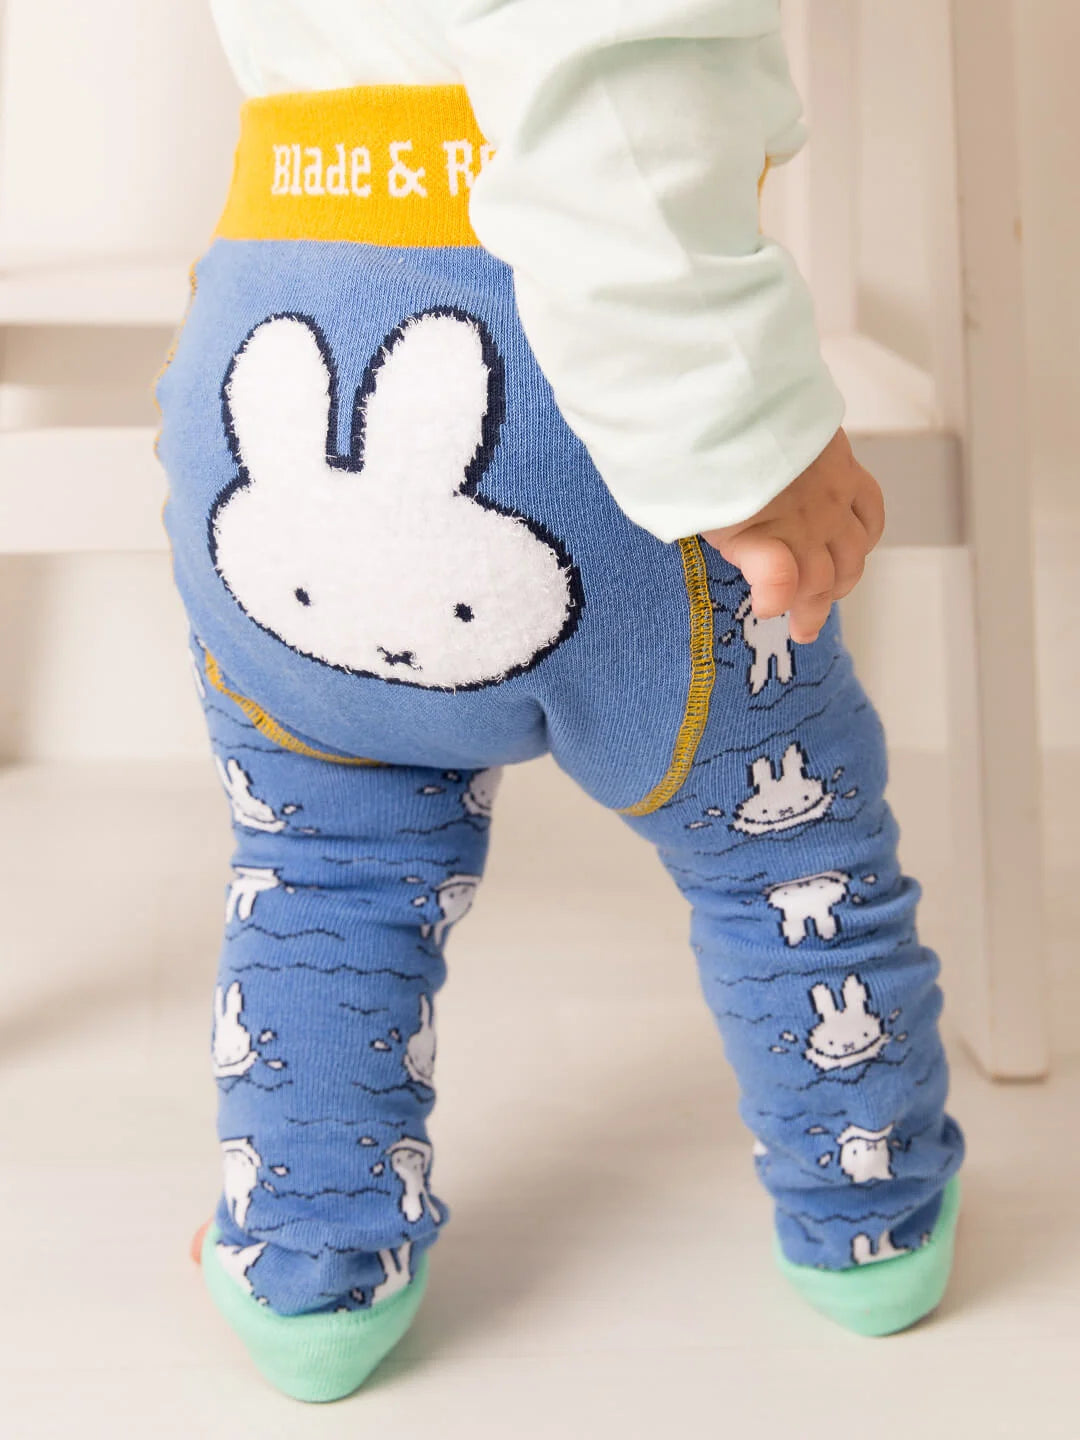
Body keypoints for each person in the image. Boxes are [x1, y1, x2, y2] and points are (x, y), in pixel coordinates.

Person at [156, 0, 964, 1402]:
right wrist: (744, 445)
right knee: (787, 860)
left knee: (322, 868)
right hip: (566, 379)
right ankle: (870, 1224)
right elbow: (614, 103)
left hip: (265, 352)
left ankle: (306, 1271)